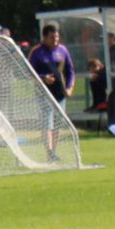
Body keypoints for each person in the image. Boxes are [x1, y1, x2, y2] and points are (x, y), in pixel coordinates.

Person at [27, 23, 74, 161]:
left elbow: (70, 71)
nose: (55, 40)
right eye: (52, 37)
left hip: (60, 94)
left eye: (57, 37)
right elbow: (28, 71)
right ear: (45, 37)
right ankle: (49, 152)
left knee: (57, 124)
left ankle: (53, 150)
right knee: (47, 123)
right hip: (43, 93)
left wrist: (69, 87)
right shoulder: (37, 52)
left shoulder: (63, 51)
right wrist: (43, 78)